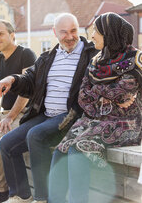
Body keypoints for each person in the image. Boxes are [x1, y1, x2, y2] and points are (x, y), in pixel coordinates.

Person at [0, 13, 97, 203]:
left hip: (70, 116)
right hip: (45, 115)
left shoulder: (90, 55)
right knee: (6, 144)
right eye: (64, 32)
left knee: (35, 135)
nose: (70, 36)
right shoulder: (47, 58)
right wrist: (12, 79)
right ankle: (21, 195)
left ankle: (43, 198)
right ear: (54, 33)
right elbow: (29, 80)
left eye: (74, 31)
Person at [48, 12, 142, 203]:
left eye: (95, 32)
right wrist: (105, 94)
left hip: (126, 123)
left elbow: (123, 93)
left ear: (109, 34)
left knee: (78, 150)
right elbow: (83, 97)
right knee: (61, 150)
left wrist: (97, 90)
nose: (91, 36)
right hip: (94, 120)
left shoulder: (135, 58)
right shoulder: (96, 60)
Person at [0, 20, 36, 203]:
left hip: (23, 115)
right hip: (4, 114)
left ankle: (1, 191)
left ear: (12, 35)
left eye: (1, 34)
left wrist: (10, 117)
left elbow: (26, 91)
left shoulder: (26, 54)